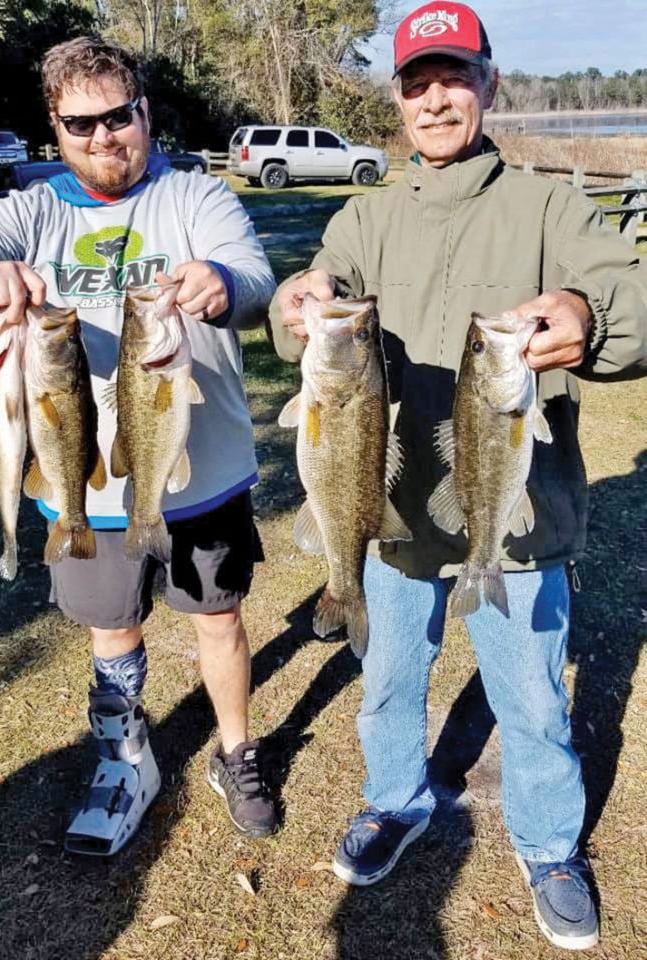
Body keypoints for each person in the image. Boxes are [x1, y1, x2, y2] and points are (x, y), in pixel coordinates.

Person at [269, 1, 647, 951]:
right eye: (416, 83)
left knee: (531, 695)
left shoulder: (549, 205)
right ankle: (396, 801)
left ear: (487, 82)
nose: (436, 100)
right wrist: (294, 300)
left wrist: (584, 314)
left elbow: (633, 302)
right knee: (391, 679)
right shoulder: (366, 216)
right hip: (388, 512)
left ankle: (551, 845)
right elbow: (306, 312)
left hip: (514, 515)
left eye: (454, 78)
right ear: (397, 100)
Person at [0, 37, 278, 855]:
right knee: (111, 629)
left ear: (143, 112)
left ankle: (235, 751)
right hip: (86, 483)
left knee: (217, 620)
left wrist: (226, 287)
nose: (103, 137)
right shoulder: (32, 210)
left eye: (119, 116)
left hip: (203, 471)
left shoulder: (196, 196)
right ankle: (125, 761)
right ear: (56, 126)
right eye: (81, 124)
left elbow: (253, 277)